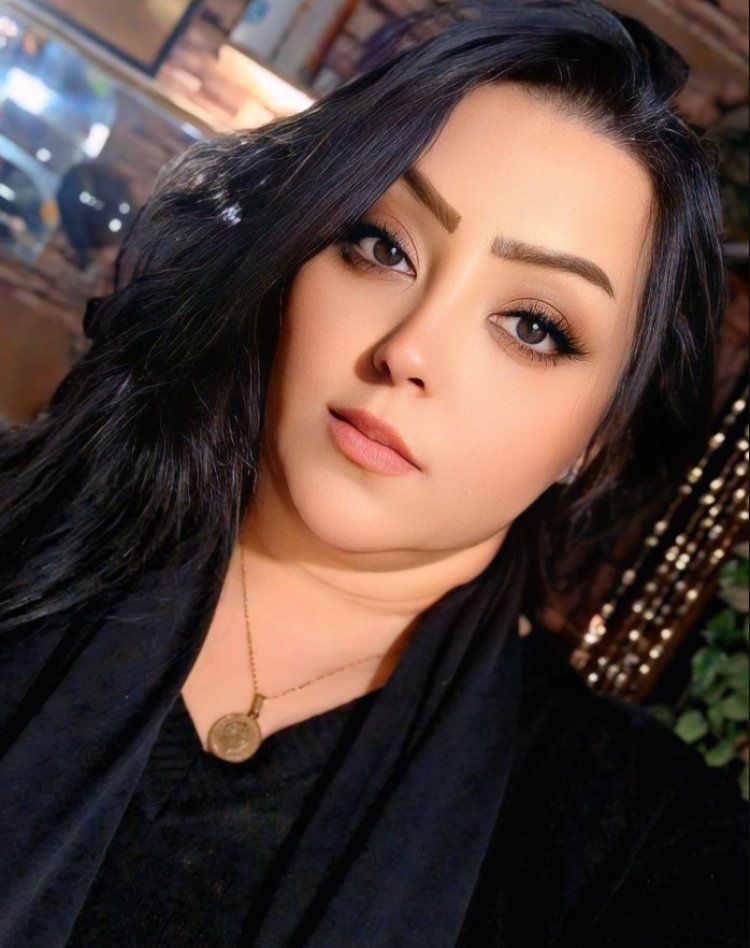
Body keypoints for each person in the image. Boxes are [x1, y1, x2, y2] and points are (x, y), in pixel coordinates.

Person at [0, 1, 747, 945]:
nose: (410, 350)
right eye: (384, 246)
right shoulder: (23, 522)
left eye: (532, 326)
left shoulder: (643, 846)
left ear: (596, 438)